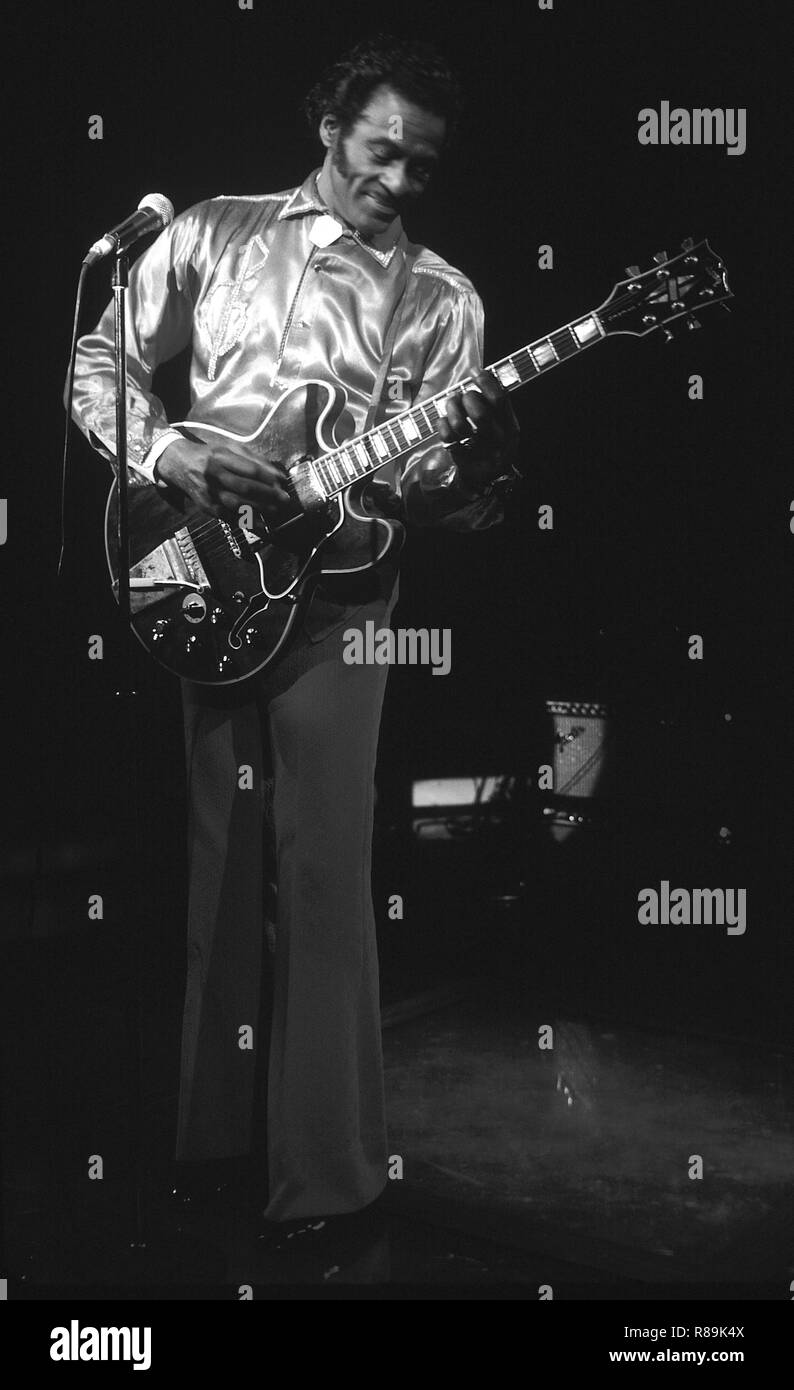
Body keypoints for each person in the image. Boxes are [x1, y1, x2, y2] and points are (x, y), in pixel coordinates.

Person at [69, 34, 520, 1253]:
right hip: (201, 576)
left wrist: (464, 470)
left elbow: (429, 478)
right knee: (218, 873)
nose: (398, 183)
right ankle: (213, 1147)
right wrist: (170, 452)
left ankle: (327, 1179)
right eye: (382, 151)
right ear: (329, 127)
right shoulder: (211, 230)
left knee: (321, 878)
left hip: (341, 609)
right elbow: (97, 359)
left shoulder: (445, 298)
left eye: (422, 167)